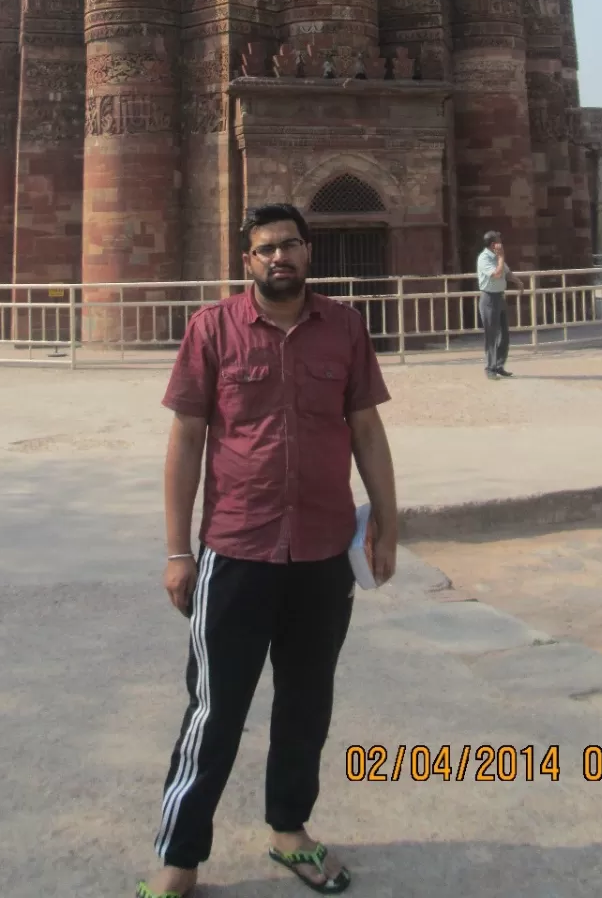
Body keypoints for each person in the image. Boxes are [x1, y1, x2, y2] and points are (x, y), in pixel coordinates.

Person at [139, 202, 398, 898]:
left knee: (307, 701)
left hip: (320, 548)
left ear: (310, 252)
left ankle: (290, 830)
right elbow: (186, 441)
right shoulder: (213, 329)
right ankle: (179, 856)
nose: (279, 257)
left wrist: (389, 524)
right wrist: (176, 550)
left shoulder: (343, 328)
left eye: (290, 245)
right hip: (238, 546)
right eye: (265, 249)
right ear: (246, 260)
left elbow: (366, 430)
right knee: (214, 709)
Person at [476, 230, 523, 379]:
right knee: (492, 335)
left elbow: (506, 272)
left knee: (504, 334)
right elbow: (496, 274)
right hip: (489, 299)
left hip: (499, 297)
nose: (501, 242)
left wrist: (518, 282)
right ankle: (490, 368)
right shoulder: (484, 258)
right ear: (492, 244)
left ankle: (499, 365)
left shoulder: (497, 257)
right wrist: (501, 257)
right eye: (498, 240)